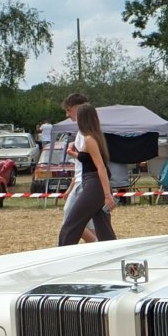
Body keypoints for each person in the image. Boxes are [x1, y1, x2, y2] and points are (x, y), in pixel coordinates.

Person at [58, 103, 117, 246]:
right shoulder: (93, 137)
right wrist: (73, 153)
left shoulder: (90, 140)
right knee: (103, 227)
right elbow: (88, 160)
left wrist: (107, 195)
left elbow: (101, 168)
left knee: (72, 223)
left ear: (82, 119)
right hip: (92, 183)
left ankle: (62, 253)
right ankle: (112, 252)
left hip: (94, 184)